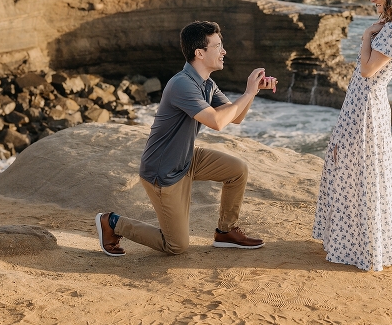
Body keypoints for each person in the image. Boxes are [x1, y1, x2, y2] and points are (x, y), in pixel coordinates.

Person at [95, 21, 277, 256]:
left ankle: (225, 232)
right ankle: (112, 223)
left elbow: (236, 117)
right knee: (176, 246)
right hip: (164, 171)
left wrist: (253, 92)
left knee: (237, 170)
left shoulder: (207, 84)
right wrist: (248, 92)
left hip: (187, 158)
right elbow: (217, 122)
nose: (224, 51)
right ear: (199, 53)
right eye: (218, 46)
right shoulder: (181, 84)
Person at [312, 0, 392, 271]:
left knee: (358, 171)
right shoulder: (389, 27)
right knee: (349, 168)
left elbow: (368, 70)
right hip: (361, 103)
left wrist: (364, 37)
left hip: (366, 107)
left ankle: (360, 247)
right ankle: (348, 242)